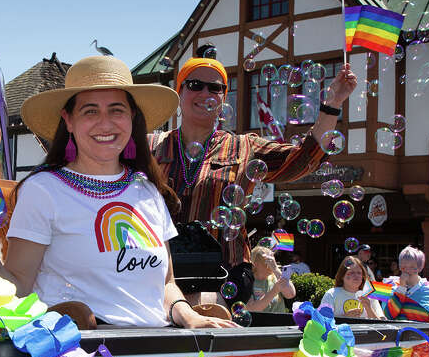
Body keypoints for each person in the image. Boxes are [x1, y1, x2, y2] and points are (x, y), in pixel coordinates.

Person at [0, 56, 234, 329]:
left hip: (157, 351)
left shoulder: (148, 190)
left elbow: (166, 284)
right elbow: (19, 290)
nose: (105, 123)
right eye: (90, 111)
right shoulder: (43, 190)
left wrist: (187, 314)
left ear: (132, 118)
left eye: (116, 110)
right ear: (69, 120)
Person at [152, 53, 357, 304]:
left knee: (194, 310)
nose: (206, 92)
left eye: (215, 88)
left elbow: (303, 159)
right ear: (179, 92)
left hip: (224, 273)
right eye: (195, 85)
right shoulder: (152, 146)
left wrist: (333, 101)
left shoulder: (244, 147)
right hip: (157, 270)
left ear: (223, 97)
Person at [381, 246, 429, 323]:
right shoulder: (390, 286)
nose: (407, 270)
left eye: (412, 267)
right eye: (404, 267)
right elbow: (387, 317)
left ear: (420, 268)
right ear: (400, 267)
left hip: (419, 334)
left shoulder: (427, 290)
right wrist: (401, 288)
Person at [246, 246, 294, 313]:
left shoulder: (276, 276)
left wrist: (275, 269)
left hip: (279, 322)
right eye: (266, 261)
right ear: (255, 264)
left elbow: (291, 294)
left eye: (272, 260)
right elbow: (252, 309)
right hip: (260, 322)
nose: (270, 264)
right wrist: (275, 290)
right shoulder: (248, 281)